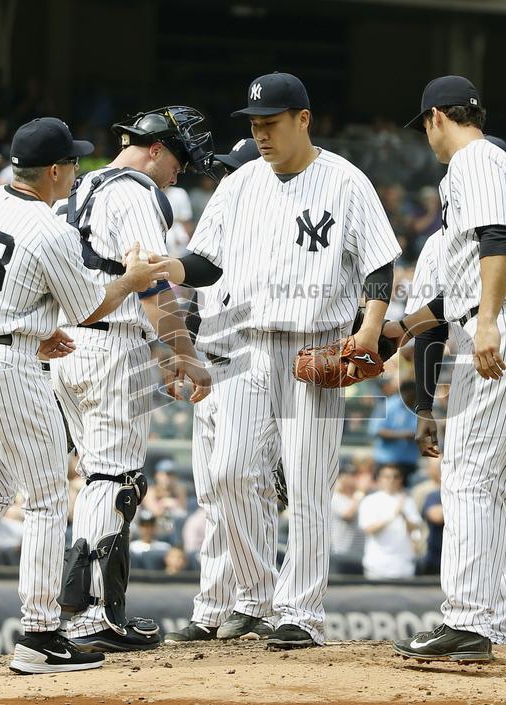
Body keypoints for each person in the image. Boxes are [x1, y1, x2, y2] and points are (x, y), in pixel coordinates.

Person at [0, 117, 170, 675]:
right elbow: (87, 308)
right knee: (46, 498)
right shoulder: (50, 228)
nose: (76, 170)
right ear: (52, 170)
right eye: (71, 162)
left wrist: (31, 326)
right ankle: (42, 635)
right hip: (7, 365)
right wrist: (131, 279)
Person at [153, 73, 401, 650]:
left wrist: (369, 326)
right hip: (243, 343)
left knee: (310, 486)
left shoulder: (345, 181)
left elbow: (379, 263)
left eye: (270, 123)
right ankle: (256, 596)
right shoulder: (240, 184)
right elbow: (206, 264)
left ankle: (301, 612)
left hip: (313, 348)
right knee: (232, 471)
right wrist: (170, 269)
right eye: (254, 125)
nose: (260, 134)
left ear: (303, 119)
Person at [388, 76, 506, 663]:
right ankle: (490, 619)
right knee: (489, 483)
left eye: (426, 127)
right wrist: (394, 334)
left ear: (437, 117)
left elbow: (496, 238)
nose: (428, 139)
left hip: (504, 322)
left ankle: (466, 620)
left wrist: (487, 321)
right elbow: (453, 290)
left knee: (466, 474)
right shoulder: (499, 165)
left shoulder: (476, 159)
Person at [51, 105, 213, 653]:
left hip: (68, 344)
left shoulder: (80, 185)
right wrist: (185, 354)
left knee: (100, 478)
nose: (179, 174)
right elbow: (150, 286)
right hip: (109, 346)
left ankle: (91, 613)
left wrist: (162, 356)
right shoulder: (138, 191)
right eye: (180, 161)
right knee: (113, 484)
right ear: (157, 149)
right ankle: (89, 617)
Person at [164, 137, 285, 644]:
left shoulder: (273, 234)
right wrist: (183, 358)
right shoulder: (219, 233)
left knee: (244, 483)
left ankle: (258, 604)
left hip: (249, 363)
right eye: (225, 172)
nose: (226, 179)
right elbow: (196, 306)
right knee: (214, 492)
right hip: (211, 367)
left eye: (237, 170)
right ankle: (212, 608)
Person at [358, 465, 421, 580]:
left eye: (395, 477)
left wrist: (403, 514)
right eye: (387, 477)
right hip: (377, 566)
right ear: (379, 479)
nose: (391, 480)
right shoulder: (369, 501)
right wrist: (392, 516)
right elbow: (369, 528)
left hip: (404, 565)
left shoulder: (408, 501)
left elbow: (415, 528)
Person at [368, 380, 420, 482]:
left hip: (409, 462)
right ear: (404, 393)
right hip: (386, 461)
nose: (414, 398)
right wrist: (403, 435)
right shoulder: (388, 405)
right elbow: (376, 430)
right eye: (412, 395)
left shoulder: (419, 408)